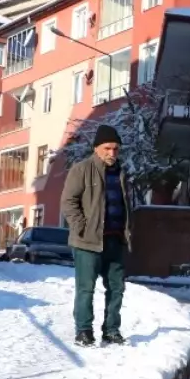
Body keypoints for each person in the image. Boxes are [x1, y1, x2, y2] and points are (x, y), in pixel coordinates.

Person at [60, 124, 130, 348]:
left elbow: (127, 204)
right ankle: (83, 331)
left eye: (116, 149)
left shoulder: (122, 173)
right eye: (108, 148)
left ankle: (111, 331)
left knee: (116, 288)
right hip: (87, 242)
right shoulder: (81, 169)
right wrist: (81, 227)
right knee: (86, 289)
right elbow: (68, 202)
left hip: (115, 240)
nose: (112, 153)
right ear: (97, 148)